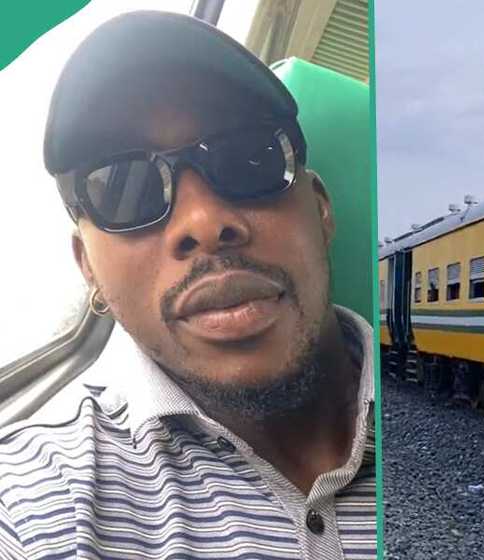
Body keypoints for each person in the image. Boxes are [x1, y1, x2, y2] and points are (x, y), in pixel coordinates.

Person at [0, 12, 375, 558]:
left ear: (320, 210)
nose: (203, 223)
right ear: (89, 269)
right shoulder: (31, 504)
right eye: (123, 187)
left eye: (249, 156)